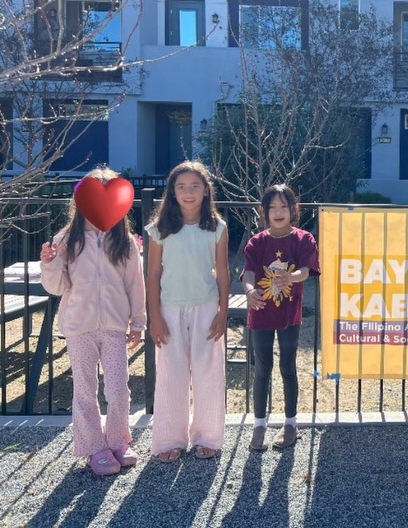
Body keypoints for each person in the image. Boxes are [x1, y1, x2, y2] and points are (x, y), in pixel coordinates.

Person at [39, 166, 146, 476]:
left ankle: (118, 441)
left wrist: (138, 323)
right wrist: (49, 264)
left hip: (114, 327)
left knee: (118, 390)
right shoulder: (66, 239)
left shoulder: (123, 241)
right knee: (85, 390)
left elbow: (134, 285)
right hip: (79, 327)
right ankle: (94, 448)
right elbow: (56, 287)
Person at [146, 160, 230, 462]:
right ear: (172, 192)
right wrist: (154, 316)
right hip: (169, 310)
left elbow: (222, 272)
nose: (188, 192)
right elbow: (153, 274)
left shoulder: (217, 228)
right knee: (171, 375)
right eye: (181, 187)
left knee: (208, 374)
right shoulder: (159, 230)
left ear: (206, 191)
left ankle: (207, 437)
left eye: (195, 186)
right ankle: (170, 439)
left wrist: (223, 312)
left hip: (207, 308)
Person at [241, 185, 320, 451]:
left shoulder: (304, 239)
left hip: (289, 313)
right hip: (261, 311)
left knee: (288, 367)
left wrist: (292, 276)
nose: (278, 212)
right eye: (272, 207)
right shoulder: (257, 242)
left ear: (293, 210)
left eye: (283, 207)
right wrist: (250, 291)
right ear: (263, 212)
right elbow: (249, 272)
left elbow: (307, 270)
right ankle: (259, 425)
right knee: (262, 368)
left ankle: (290, 424)